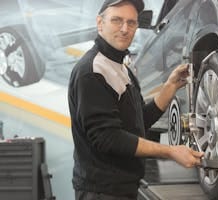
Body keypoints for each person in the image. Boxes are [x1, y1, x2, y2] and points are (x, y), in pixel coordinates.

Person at [68, 0, 204, 199]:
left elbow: (140, 121)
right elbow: (108, 138)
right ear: (100, 23)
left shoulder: (122, 69)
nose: (125, 29)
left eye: (131, 23)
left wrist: (170, 86)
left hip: (123, 188)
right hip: (101, 192)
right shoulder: (92, 71)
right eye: (117, 20)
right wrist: (170, 151)